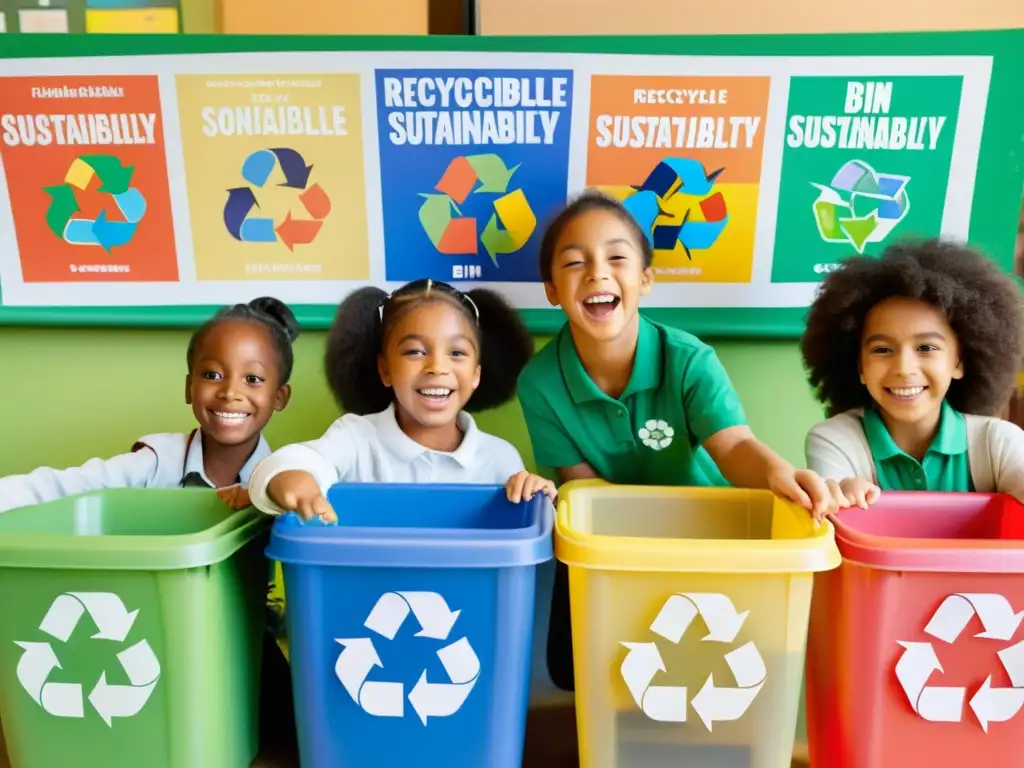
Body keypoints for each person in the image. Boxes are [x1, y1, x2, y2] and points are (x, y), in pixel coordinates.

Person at [515, 190, 835, 691]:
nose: (598, 273)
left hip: (705, 539)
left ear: (644, 279)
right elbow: (582, 489)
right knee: (577, 667)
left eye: (617, 258)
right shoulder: (539, 382)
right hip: (612, 545)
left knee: (708, 668)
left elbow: (733, 447)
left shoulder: (689, 360)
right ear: (552, 290)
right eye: (576, 263)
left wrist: (779, 473)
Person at [247, 278, 554, 521]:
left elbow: (530, 536)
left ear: (475, 375)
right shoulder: (355, 438)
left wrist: (540, 499)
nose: (437, 367)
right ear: (385, 369)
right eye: (415, 352)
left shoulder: (498, 458)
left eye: (457, 353)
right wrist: (293, 479)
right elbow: (286, 464)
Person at [0, 297, 297, 512]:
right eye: (212, 375)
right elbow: (65, 486)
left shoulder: (284, 475)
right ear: (188, 388)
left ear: (279, 397)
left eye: (253, 379)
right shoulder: (156, 463)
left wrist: (263, 494)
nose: (230, 392)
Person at [802, 238, 1024, 508]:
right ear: (858, 366)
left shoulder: (997, 443)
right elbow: (832, 503)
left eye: (926, 347)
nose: (904, 369)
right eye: (882, 350)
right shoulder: (836, 440)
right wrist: (839, 493)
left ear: (959, 361)